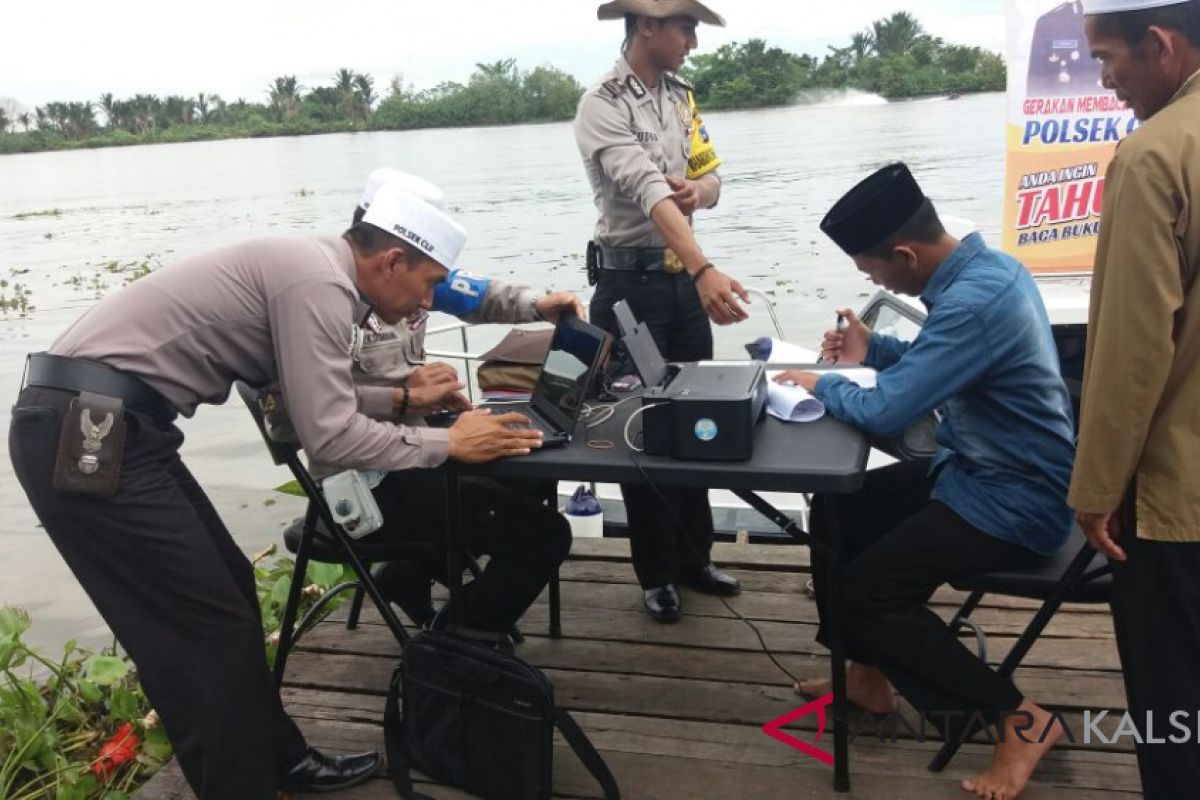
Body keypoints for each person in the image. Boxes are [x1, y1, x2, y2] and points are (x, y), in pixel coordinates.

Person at [8, 182, 548, 799]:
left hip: (119, 423)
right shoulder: (318, 283)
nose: (427, 301)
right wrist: (448, 444)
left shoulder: (313, 268)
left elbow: (295, 404)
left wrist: (403, 399)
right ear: (390, 261)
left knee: (231, 590)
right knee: (202, 627)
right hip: (87, 430)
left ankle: (280, 760)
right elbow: (331, 437)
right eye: (426, 284)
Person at [774, 163, 1077, 799]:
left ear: (905, 255)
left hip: (1015, 499)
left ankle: (1018, 720)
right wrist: (874, 351)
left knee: (869, 593)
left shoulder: (971, 302)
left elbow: (889, 410)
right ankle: (866, 675)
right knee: (839, 509)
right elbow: (942, 363)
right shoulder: (989, 272)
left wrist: (823, 383)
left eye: (874, 271)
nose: (874, 281)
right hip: (973, 469)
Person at [320, 167, 582, 630]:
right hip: (368, 479)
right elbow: (309, 411)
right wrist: (405, 397)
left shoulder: (406, 277)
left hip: (414, 446)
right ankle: (451, 647)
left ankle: (407, 574)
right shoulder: (324, 302)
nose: (427, 300)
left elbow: (471, 293)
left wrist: (537, 307)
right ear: (388, 254)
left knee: (527, 468)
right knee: (543, 534)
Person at [574, 0, 748, 623]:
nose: (693, 42)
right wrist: (704, 267)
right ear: (647, 26)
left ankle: (695, 557)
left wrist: (698, 190)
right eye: (686, 27)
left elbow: (711, 177)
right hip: (631, 290)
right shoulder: (602, 103)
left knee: (698, 422)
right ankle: (657, 572)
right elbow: (645, 190)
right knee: (642, 431)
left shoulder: (681, 96)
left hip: (680, 285)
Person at [1071, 2, 1200, 796]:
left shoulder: (1155, 155)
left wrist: (1095, 490)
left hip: (1177, 493)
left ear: (1160, 44)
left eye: (1107, 57)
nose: (1106, 79)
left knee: (1175, 704)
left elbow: (1131, 349)